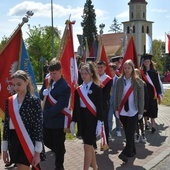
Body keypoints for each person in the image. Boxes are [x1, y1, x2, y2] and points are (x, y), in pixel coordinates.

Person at [2, 70, 45, 170]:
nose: (15, 87)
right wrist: (4, 149)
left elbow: (38, 127)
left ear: (27, 82)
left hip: (29, 141)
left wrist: (38, 152)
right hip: (14, 141)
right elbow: (6, 127)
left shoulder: (34, 101)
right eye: (13, 85)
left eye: (19, 84)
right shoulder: (10, 101)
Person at [70, 62, 103, 170]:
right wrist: (73, 121)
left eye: (86, 73)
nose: (83, 76)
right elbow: (76, 107)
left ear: (91, 74)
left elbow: (100, 107)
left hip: (92, 120)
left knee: (86, 146)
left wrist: (100, 122)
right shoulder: (78, 89)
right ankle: (95, 167)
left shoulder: (97, 89)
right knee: (89, 146)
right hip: (82, 119)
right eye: (82, 73)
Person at [39, 59, 71, 170]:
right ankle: (60, 150)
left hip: (58, 119)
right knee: (46, 140)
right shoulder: (48, 81)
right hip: (47, 119)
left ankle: (59, 166)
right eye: (51, 73)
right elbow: (41, 94)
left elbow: (60, 105)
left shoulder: (65, 87)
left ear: (60, 71)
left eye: (55, 73)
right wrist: (42, 95)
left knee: (58, 144)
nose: (52, 76)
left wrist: (46, 114)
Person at [115, 60, 144, 162]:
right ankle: (132, 151)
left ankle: (124, 153)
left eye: (129, 68)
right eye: (125, 68)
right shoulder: (119, 81)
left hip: (134, 111)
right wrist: (116, 109)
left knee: (130, 132)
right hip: (122, 111)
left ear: (132, 69)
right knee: (127, 133)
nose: (127, 70)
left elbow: (141, 98)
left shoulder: (138, 82)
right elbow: (116, 96)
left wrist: (141, 111)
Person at [140, 54, 162, 133]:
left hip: (153, 93)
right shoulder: (141, 72)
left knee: (153, 109)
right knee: (145, 109)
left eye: (148, 61)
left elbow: (157, 83)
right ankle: (146, 124)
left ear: (150, 62)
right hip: (145, 93)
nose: (146, 63)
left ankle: (153, 126)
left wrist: (159, 92)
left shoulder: (154, 72)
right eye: (145, 61)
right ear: (143, 62)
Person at [96, 60, 112, 146]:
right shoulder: (94, 78)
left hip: (103, 104)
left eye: (101, 67)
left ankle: (105, 142)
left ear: (105, 68)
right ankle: (94, 142)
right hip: (94, 105)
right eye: (98, 67)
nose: (100, 69)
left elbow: (106, 95)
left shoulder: (108, 79)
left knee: (104, 123)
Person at [134, 68, 149, 143]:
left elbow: (146, 96)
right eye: (134, 73)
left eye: (137, 73)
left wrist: (145, 107)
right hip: (133, 106)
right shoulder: (132, 83)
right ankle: (137, 134)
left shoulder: (143, 83)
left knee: (140, 121)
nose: (135, 75)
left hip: (141, 106)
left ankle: (143, 134)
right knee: (135, 121)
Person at [108, 63, 122, 138]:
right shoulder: (107, 80)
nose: (110, 72)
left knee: (118, 117)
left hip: (117, 103)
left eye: (111, 70)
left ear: (115, 71)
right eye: (109, 70)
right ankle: (109, 132)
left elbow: (120, 91)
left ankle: (118, 129)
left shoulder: (119, 80)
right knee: (109, 118)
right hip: (109, 103)